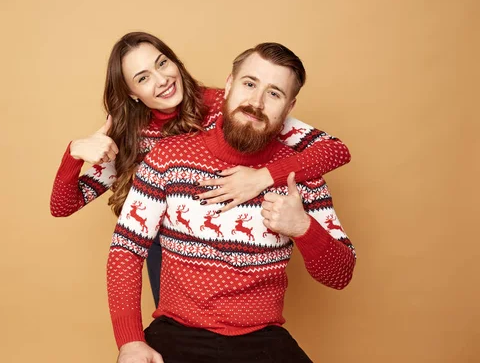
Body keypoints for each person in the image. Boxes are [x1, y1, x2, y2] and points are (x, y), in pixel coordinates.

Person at [50, 32, 352, 306]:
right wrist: (73, 155)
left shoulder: (227, 103)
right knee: (178, 326)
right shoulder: (132, 137)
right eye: (143, 79)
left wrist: (262, 178)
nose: (162, 80)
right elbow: (63, 205)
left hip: (242, 241)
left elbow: (335, 150)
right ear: (131, 93)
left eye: (162, 63)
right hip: (168, 248)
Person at [107, 42, 356, 363]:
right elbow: (125, 250)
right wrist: (129, 342)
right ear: (228, 86)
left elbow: (340, 275)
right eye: (249, 84)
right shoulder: (166, 159)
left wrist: (304, 228)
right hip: (177, 332)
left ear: (289, 107)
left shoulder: (302, 175)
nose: (256, 102)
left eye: (274, 93)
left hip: (262, 340)